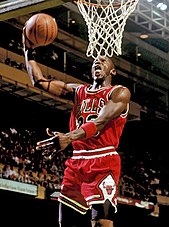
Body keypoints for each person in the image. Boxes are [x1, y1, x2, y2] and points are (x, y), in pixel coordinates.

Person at [23, 29, 131, 227]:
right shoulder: (79, 91)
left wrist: (68, 137)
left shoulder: (119, 92)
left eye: (103, 61)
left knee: (101, 223)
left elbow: (99, 122)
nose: (97, 62)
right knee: (66, 222)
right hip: (77, 161)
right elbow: (39, 81)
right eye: (94, 62)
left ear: (112, 71)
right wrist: (29, 51)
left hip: (103, 160)